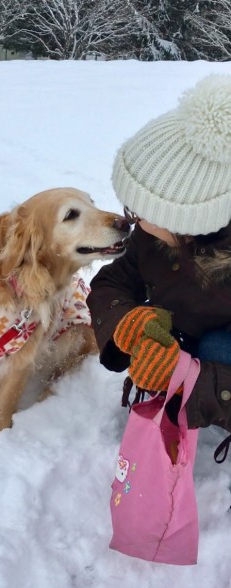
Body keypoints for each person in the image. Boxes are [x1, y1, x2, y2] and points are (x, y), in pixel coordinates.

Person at [87, 74, 231, 442]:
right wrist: (126, 322)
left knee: (219, 346)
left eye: (141, 211)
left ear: (189, 220)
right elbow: (112, 282)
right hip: (188, 343)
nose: (131, 219)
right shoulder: (153, 239)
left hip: (221, 371)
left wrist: (196, 384)